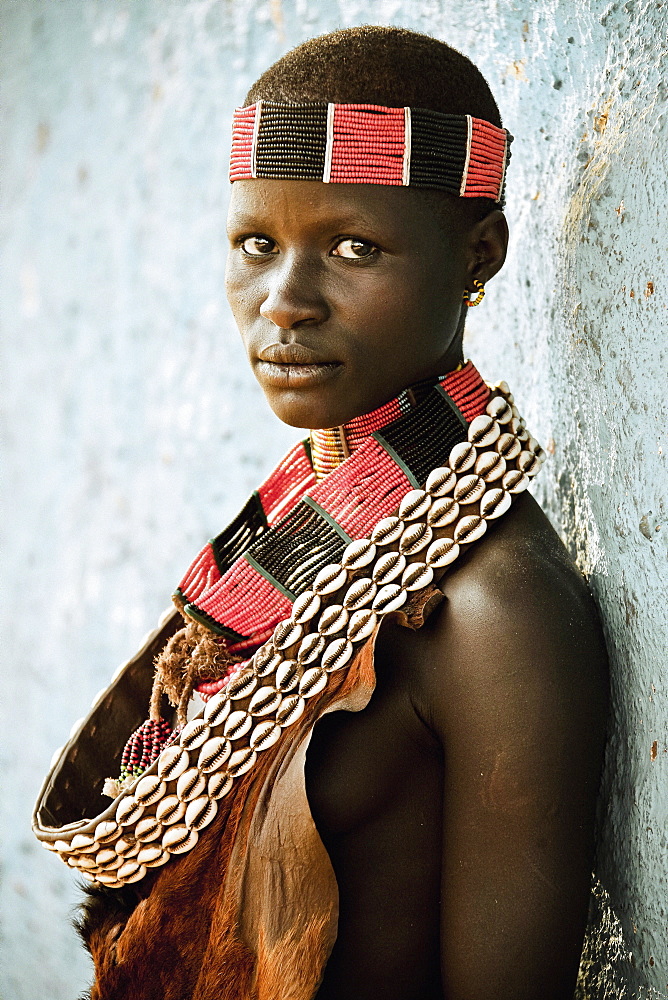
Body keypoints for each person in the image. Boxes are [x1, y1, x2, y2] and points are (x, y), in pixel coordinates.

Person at [33, 26, 608, 1000]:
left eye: (352, 246)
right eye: (256, 244)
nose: (284, 301)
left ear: (479, 255)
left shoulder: (493, 615)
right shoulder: (294, 542)